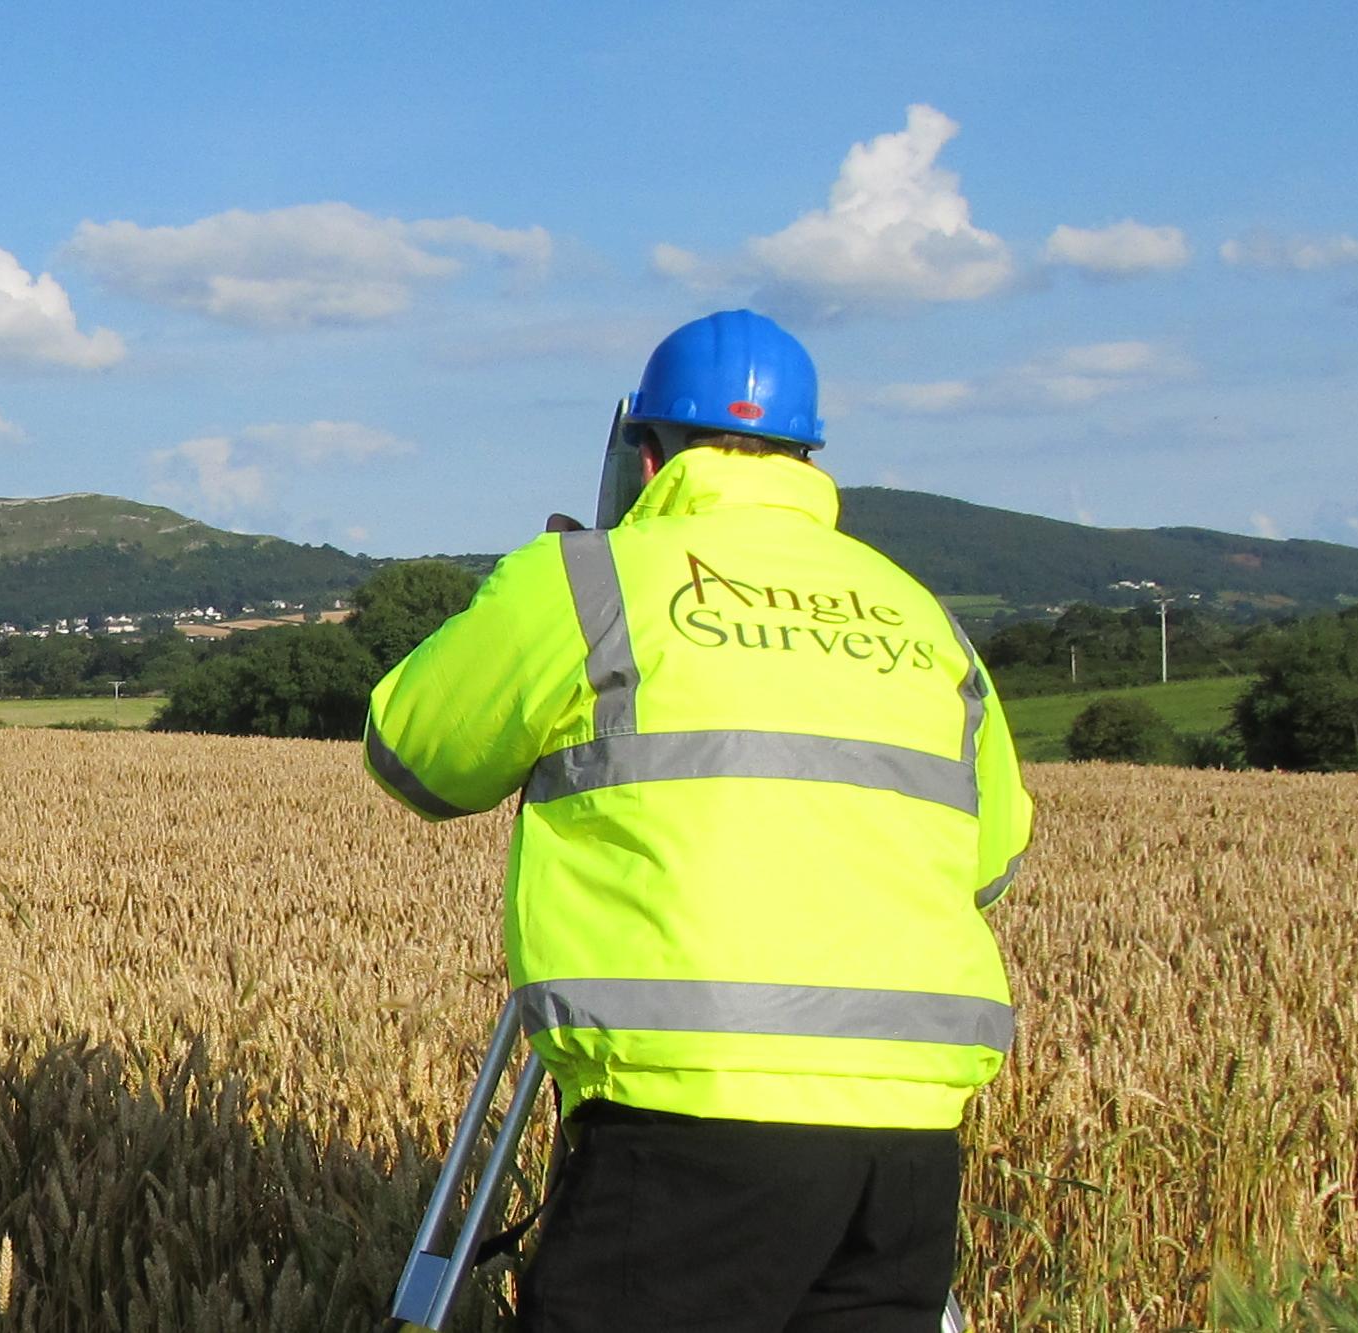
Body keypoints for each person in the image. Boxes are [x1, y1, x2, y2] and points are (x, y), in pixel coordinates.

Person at [362, 309, 1031, 1331]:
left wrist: (533, 605)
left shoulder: (589, 581)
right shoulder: (915, 611)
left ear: (643, 451)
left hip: (692, 1110)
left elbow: (416, 753)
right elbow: (988, 856)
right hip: (907, 1133)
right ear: (805, 455)